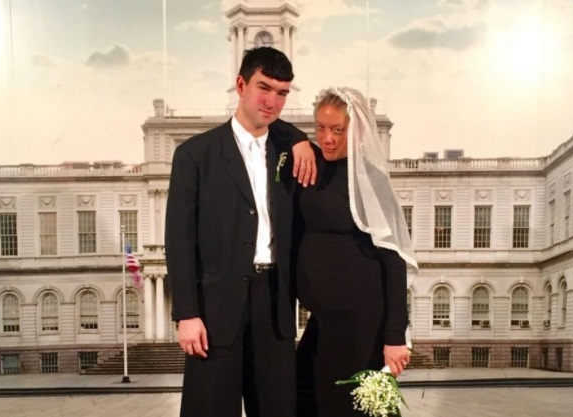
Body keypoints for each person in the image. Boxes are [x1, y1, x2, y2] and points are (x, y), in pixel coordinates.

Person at [165, 46, 317, 417]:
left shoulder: (292, 154)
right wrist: (187, 314)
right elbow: (179, 241)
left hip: (274, 306)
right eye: (264, 88)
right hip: (214, 309)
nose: (272, 101)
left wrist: (297, 137)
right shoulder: (195, 155)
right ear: (240, 85)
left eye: (282, 93)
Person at [294, 87, 418, 417]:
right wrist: (297, 140)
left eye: (338, 129)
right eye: (320, 128)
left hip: (360, 321)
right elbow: (273, 130)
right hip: (324, 319)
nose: (327, 138)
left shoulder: (371, 180)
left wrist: (395, 337)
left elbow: (394, 261)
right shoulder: (312, 165)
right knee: (307, 395)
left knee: (347, 406)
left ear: (357, 130)